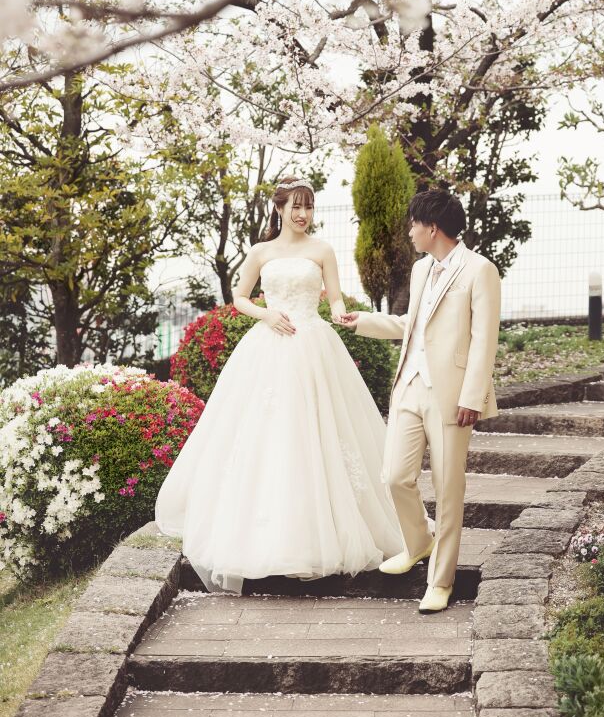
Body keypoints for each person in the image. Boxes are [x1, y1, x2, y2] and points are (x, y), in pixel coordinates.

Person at [154, 176, 403, 594]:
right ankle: (266, 537)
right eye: (296, 206)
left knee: (321, 433)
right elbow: (240, 297)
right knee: (267, 436)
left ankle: (330, 532)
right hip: (271, 344)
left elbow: (335, 297)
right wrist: (266, 315)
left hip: (314, 345)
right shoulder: (261, 251)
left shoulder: (322, 250)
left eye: (308, 207)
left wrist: (342, 313)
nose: (303, 214)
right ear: (280, 209)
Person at [337, 188, 501, 614]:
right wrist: (364, 322)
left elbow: (484, 339)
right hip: (409, 386)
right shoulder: (419, 270)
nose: (409, 231)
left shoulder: (480, 270)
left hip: (452, 395)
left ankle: (441, 580)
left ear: (433, 227)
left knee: (448, 489)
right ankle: (418, 542)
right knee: (394, 475)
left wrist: (473, 396)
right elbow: (414, 325)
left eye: (414, 224)